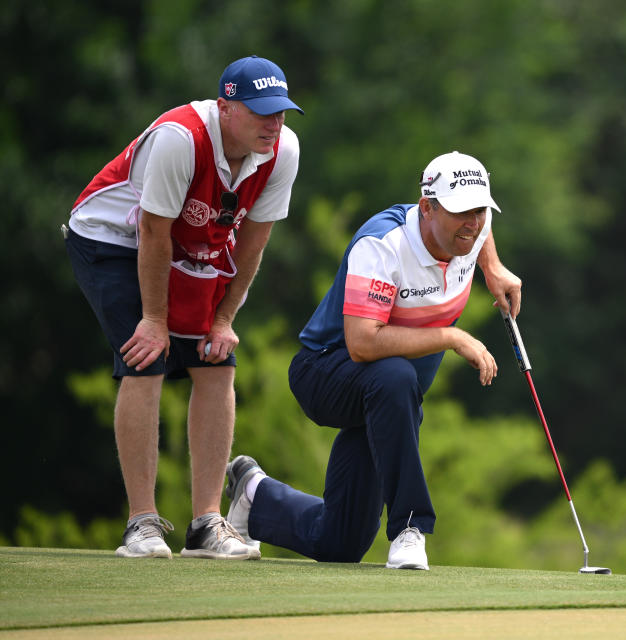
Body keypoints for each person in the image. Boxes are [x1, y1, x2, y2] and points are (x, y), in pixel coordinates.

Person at [224, 151, 522, 569]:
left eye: (479, 210)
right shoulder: (383, 244)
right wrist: (452, 336)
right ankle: (409, 527)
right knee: (396, 375)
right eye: (460, 212)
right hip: (325, 372)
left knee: (340, 544)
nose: (472, 223)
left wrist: (493, 267)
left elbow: (482, 230)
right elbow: (363, 343)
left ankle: (255, 498)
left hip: (385, 400)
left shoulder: (472, 226)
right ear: (427, 207)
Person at [64, 55, 303, 560]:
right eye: (261, 111)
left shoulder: (283, 152)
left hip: (189, 243)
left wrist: (223, 319)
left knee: (217, 362)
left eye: (279, 111)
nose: (273, 122)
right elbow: (151, 233)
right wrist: (154, 321)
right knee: (146, 357)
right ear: (226, 108)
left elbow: (253, 243)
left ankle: (206, 525)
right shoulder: (181, 137)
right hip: (114, 237)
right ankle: (142, 524)